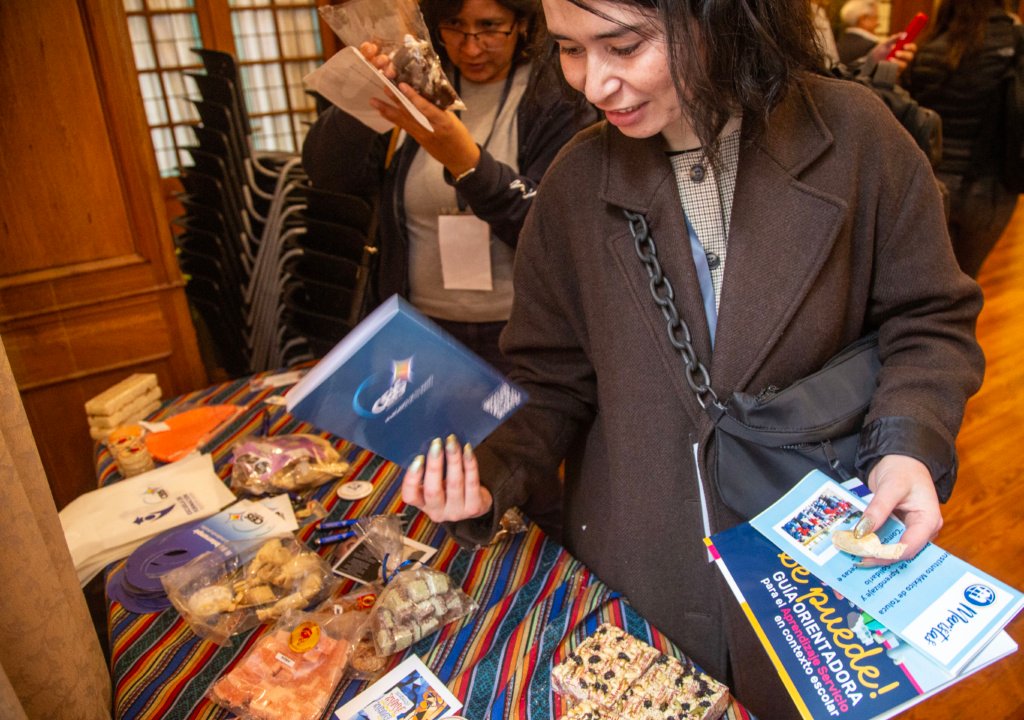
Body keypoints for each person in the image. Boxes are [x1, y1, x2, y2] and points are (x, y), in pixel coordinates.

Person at [400, 0, 985, 716]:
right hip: (641, 558)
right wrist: (491, 471)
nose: (594, 83)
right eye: (570, 49)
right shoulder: (577, 184)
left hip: (817, 549)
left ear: (719, 16)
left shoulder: (856, 138)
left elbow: (928, 316)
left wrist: (907, 445)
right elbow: (551, 379)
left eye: (623, 46)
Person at [302, 0, 596, 374]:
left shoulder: (557, 99)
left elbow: (550, 229)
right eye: (455, 26)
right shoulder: (416, 83)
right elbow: (327, 173)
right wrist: (363, 93)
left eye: (490, 27)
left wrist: (466, 162)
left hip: (522, 333)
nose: (471, 47)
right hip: (416, 328)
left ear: (522, 23)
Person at [903, 0, 1021, 278]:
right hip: (988, 188)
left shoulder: (928, 45)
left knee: (928, 281)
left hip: (930, 180)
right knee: (966, 280)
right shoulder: (1014, 42)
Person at [837, 0, 882, 64]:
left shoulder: (840, 43)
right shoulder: (870, 47)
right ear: (863, 19)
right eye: (875, 18)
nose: (878, 23)